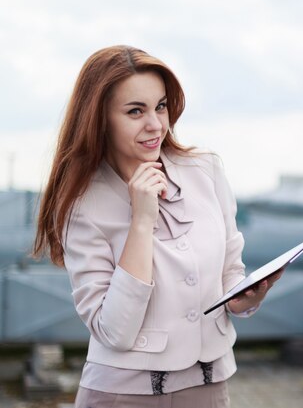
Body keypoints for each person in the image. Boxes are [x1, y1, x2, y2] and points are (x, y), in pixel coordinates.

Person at [33, 45, 279, 407]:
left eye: (160, 106)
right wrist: (141, 221)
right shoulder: (81, 204)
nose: (155, 124)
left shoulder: (205, 170)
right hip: (122, 394)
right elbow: (113, 330)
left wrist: (246, 300)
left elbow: (230, 273)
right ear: (100, 118)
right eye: (135, 111)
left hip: (210, 385)